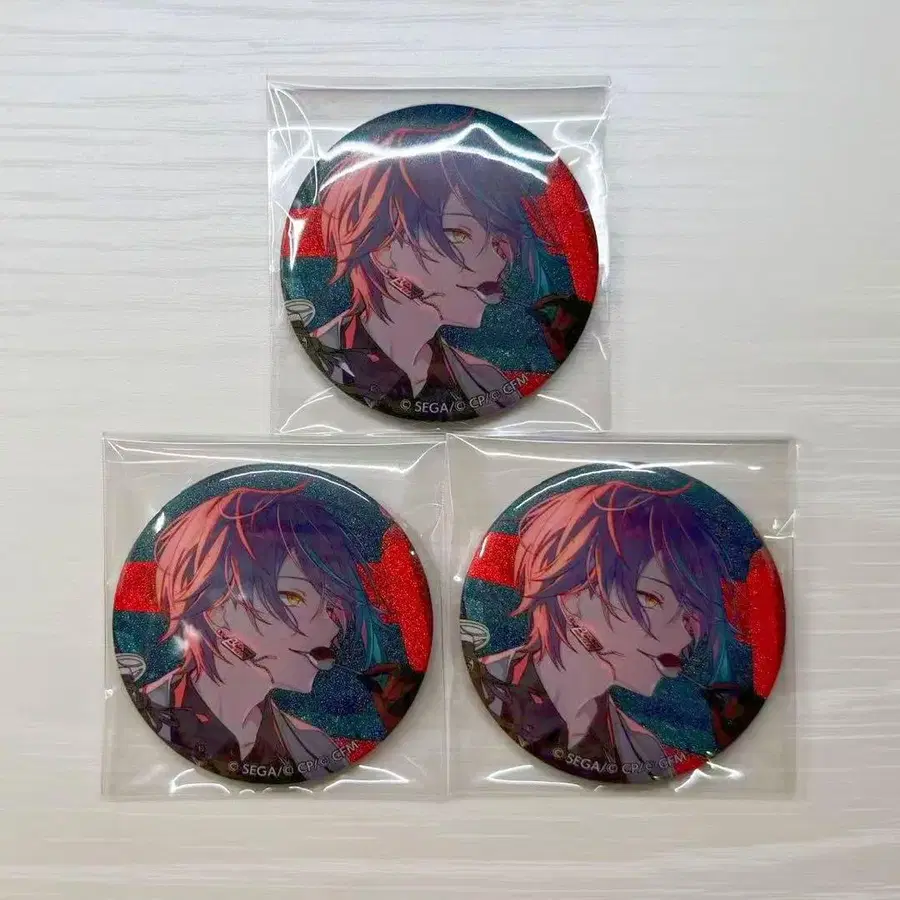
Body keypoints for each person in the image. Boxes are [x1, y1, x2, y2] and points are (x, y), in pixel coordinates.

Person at [306, 118, 590, 420]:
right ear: (383, 249)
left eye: (497, 241)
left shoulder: (490, 384)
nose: (498, 262)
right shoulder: (317, 363)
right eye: (458, 233)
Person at [471, 480, 750, 784]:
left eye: (688, 618)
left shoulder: (646, 753)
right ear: (570, 593)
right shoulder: (480, 691)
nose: (684, 638)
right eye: (651, 598)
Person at [137, 484, 393, 783]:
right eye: (292, 597)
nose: (331, 627)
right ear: (216, 608)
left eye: (332, 607)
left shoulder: (316, 749)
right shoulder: (147, 719)